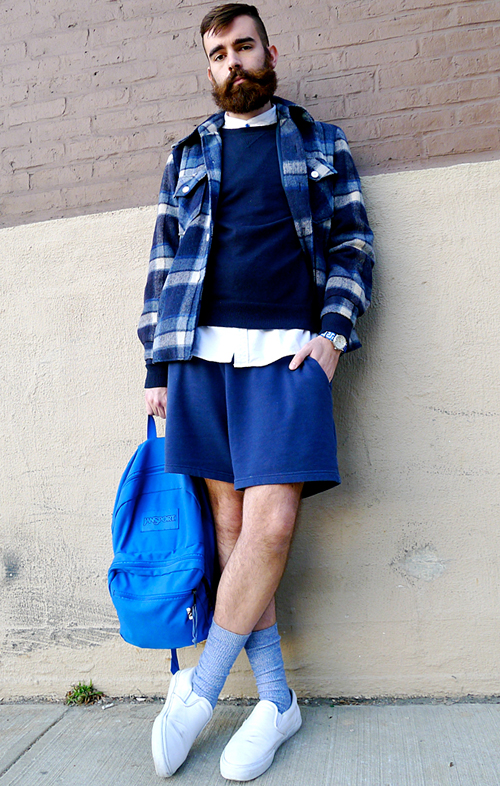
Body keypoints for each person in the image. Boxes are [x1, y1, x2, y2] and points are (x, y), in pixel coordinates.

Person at [138, 3, 374, 780]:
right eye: (218, 54)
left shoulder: (320, 142)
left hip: (289, 357)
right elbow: (164, 261)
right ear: (209, 68)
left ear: (270, 53)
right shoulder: (186, 154)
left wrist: (332, 335)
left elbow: (354, 244)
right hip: (199, 357)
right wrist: (155, 368)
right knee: (232, 529)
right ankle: (275, 700)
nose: (232, 63)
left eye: (244, 47)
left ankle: (200, 692)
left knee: (270, 527)